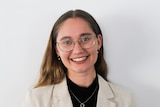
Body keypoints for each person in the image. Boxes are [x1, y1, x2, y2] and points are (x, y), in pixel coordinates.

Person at [23, 9, 134, 107]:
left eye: (85, 39)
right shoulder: (37, 100)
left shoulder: (124, 99)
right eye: (67, 42)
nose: (78, 50)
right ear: (57, 50)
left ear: (99, 42)